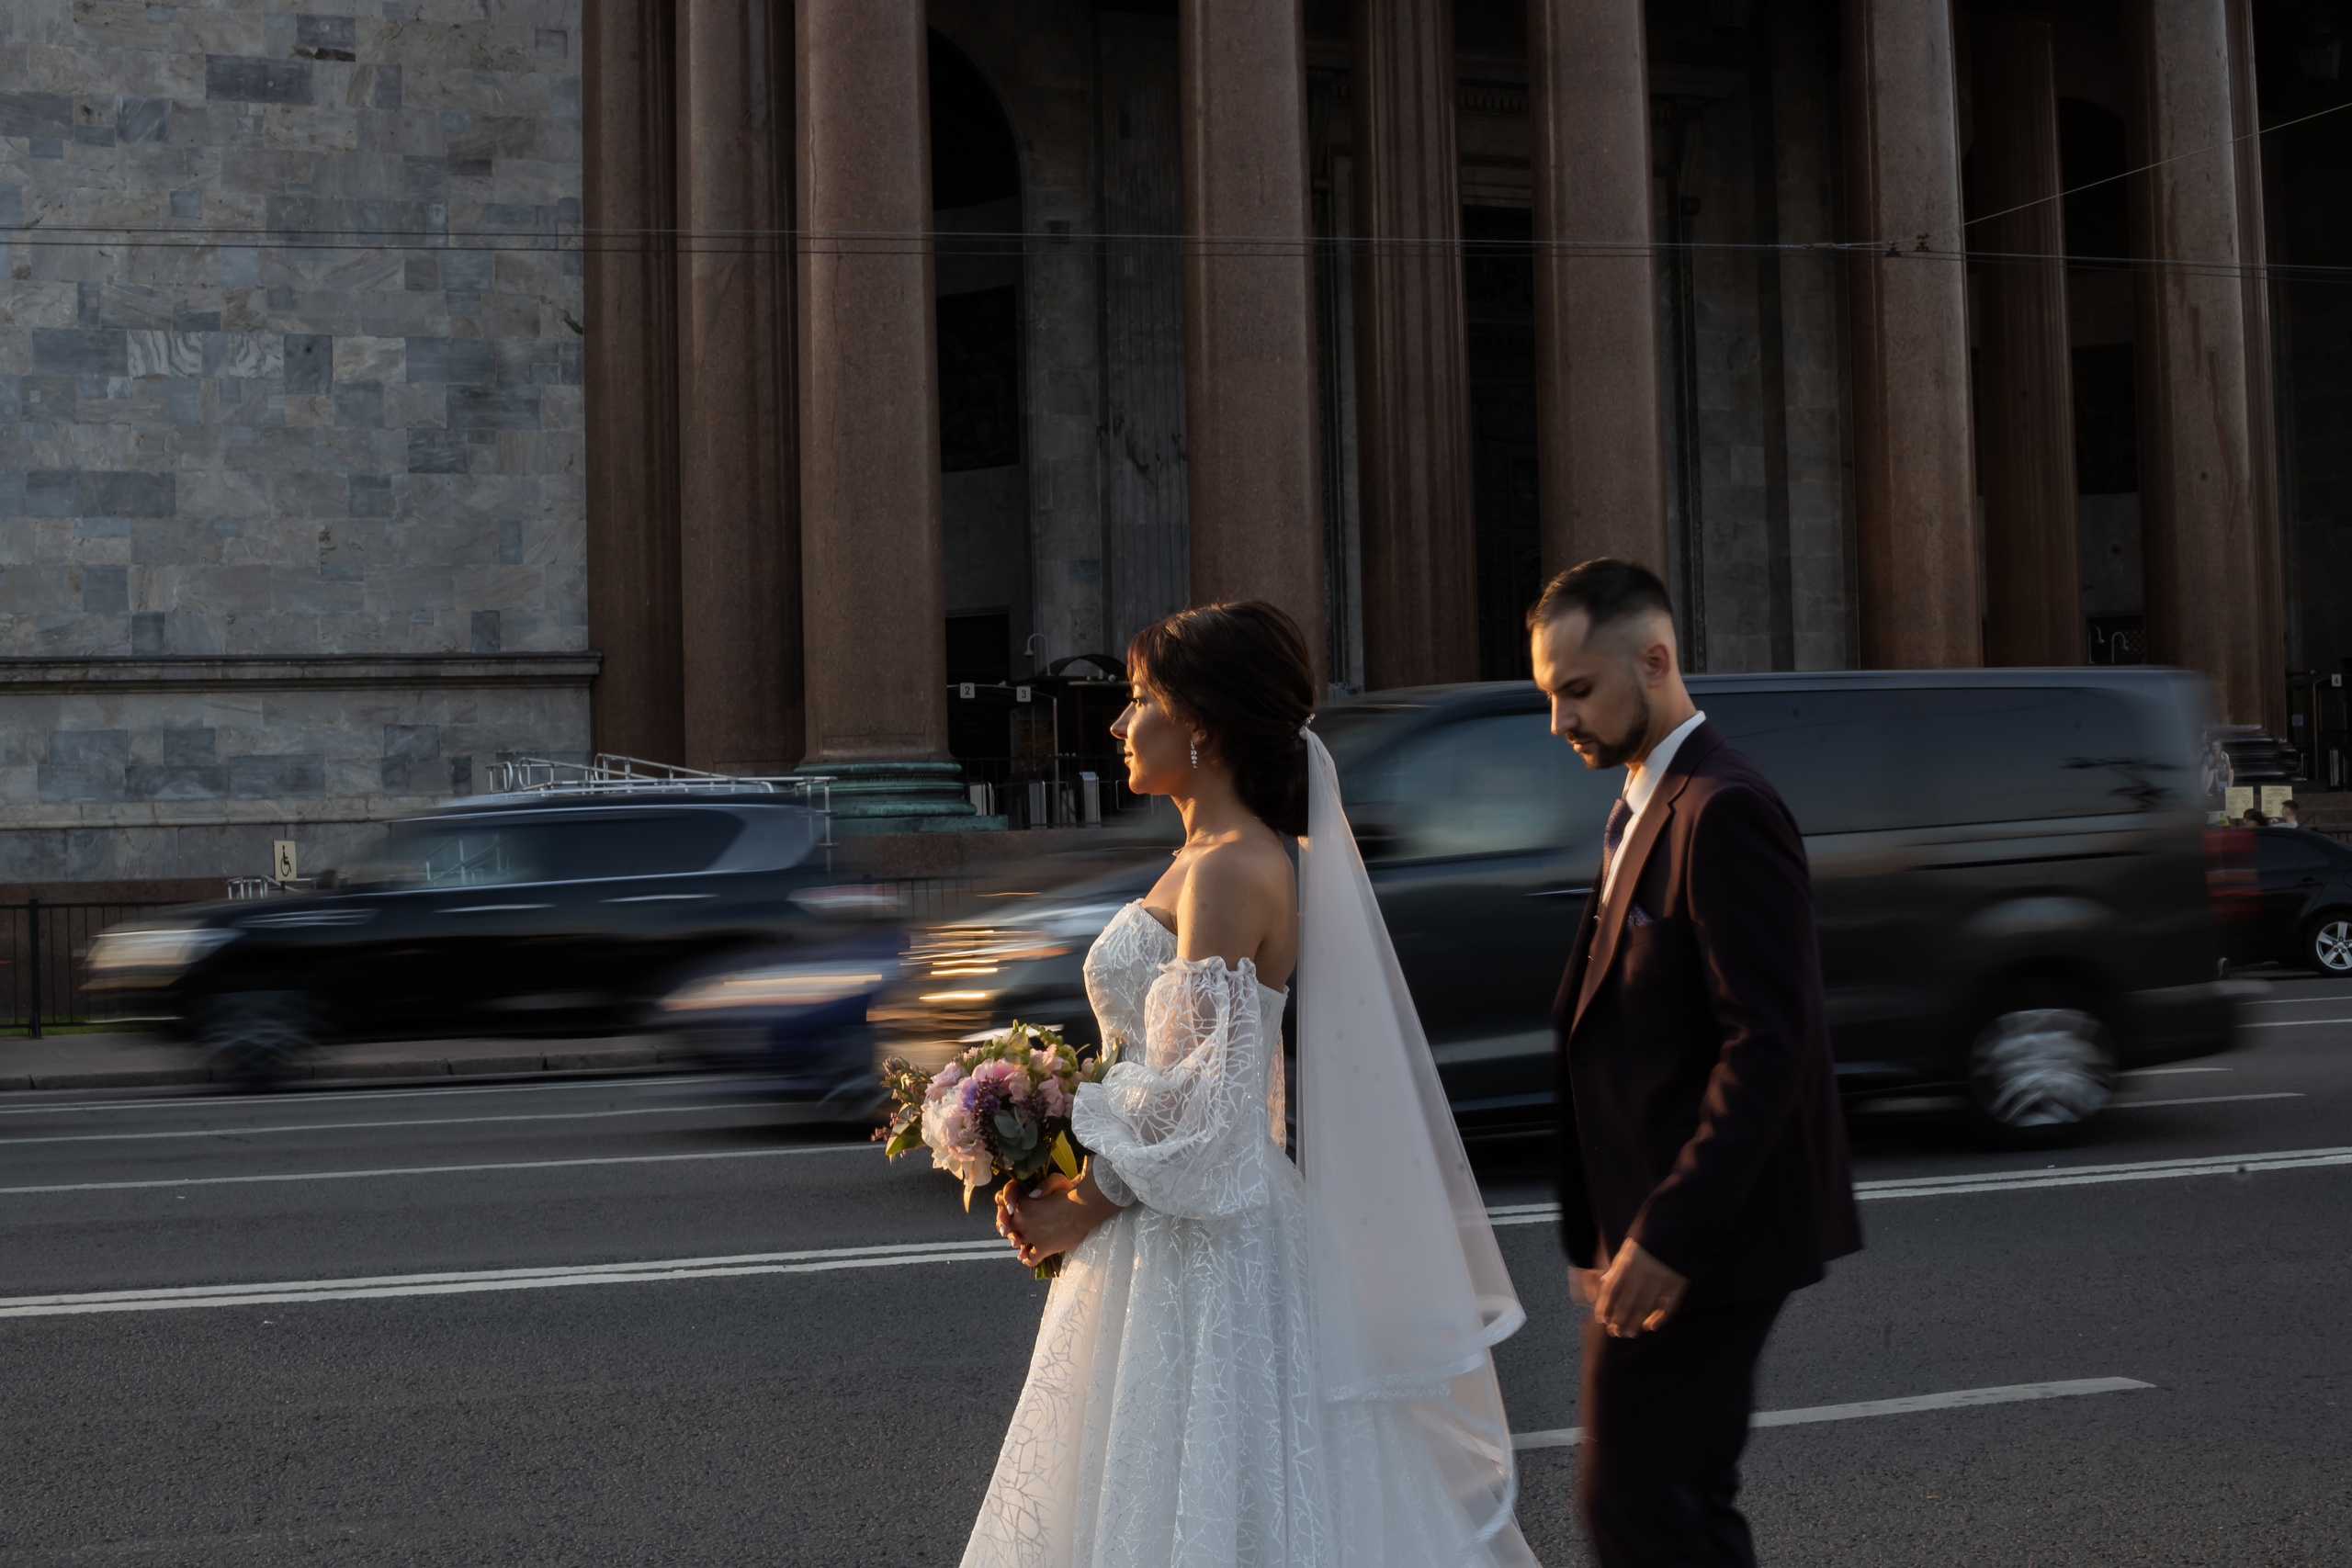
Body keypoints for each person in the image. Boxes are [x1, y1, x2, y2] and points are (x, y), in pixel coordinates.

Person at [974, 601, 1537, 1568]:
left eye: (1139, 699)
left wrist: (1081, 1203)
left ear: (1200, 724)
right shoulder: (1206, 860)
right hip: (1175, 1228)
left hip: (1201, 1242)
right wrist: (1062, 1125)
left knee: (1206, 1498)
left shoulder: (1232, 870)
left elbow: (1202, 1114)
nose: (1117, 723)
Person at [1531, 559, 1862, 1568]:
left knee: (1643, 1506)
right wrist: (1598, 1229)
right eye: (1549, 696)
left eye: (1577, 691)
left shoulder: (1722, 809)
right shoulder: (1643, 797)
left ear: (1657, 660)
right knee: (1657, 1505)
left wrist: (1668, 1237)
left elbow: (1770, 1042)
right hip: (1653, 1224)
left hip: (1708, 1232)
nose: (1559, 723)